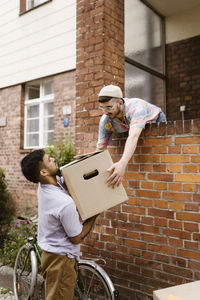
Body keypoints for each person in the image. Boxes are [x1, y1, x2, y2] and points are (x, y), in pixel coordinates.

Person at [20, 149, 98, 300]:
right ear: (43, 172)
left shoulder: (45, 186)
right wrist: (96, 212)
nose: (54, 159)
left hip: (53, 254)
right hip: (60, 261)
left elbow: (69, 180)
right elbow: (77, 237)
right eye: (49, 160)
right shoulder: (63, 203)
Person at [96, 84, 167, 187]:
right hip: (131, 125)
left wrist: (122, 164)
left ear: (120, 103)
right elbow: (100, 148)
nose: (105, 112)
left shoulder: (136, 107)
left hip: (155, 120)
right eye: (102, 108)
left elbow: (133, 137)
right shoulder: (105, 119)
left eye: (109, 107)